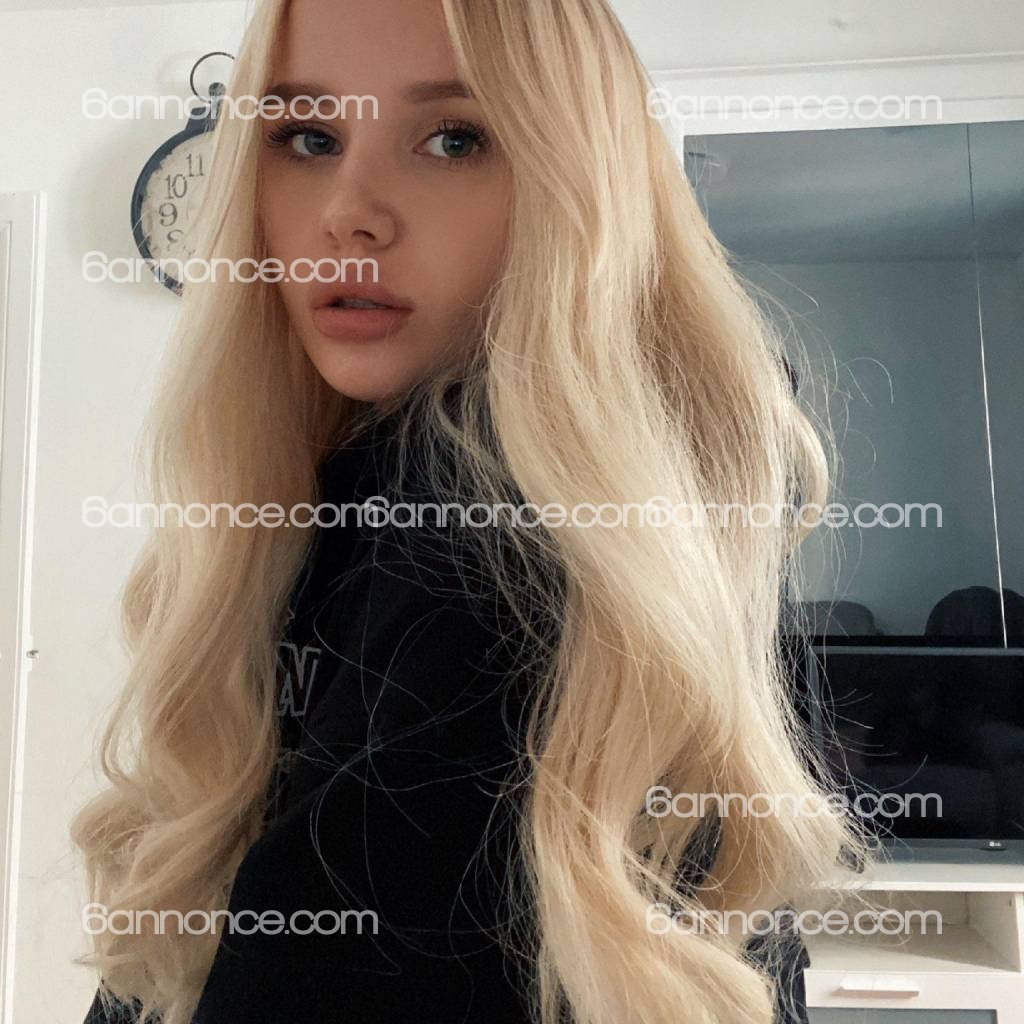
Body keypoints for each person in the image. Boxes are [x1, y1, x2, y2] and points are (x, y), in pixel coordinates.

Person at [73, 1, 867, 1023]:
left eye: (454, 139)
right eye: (307, 137)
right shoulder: (379, 488)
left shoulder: (478, 532)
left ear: (575, 184)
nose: (349, 214)